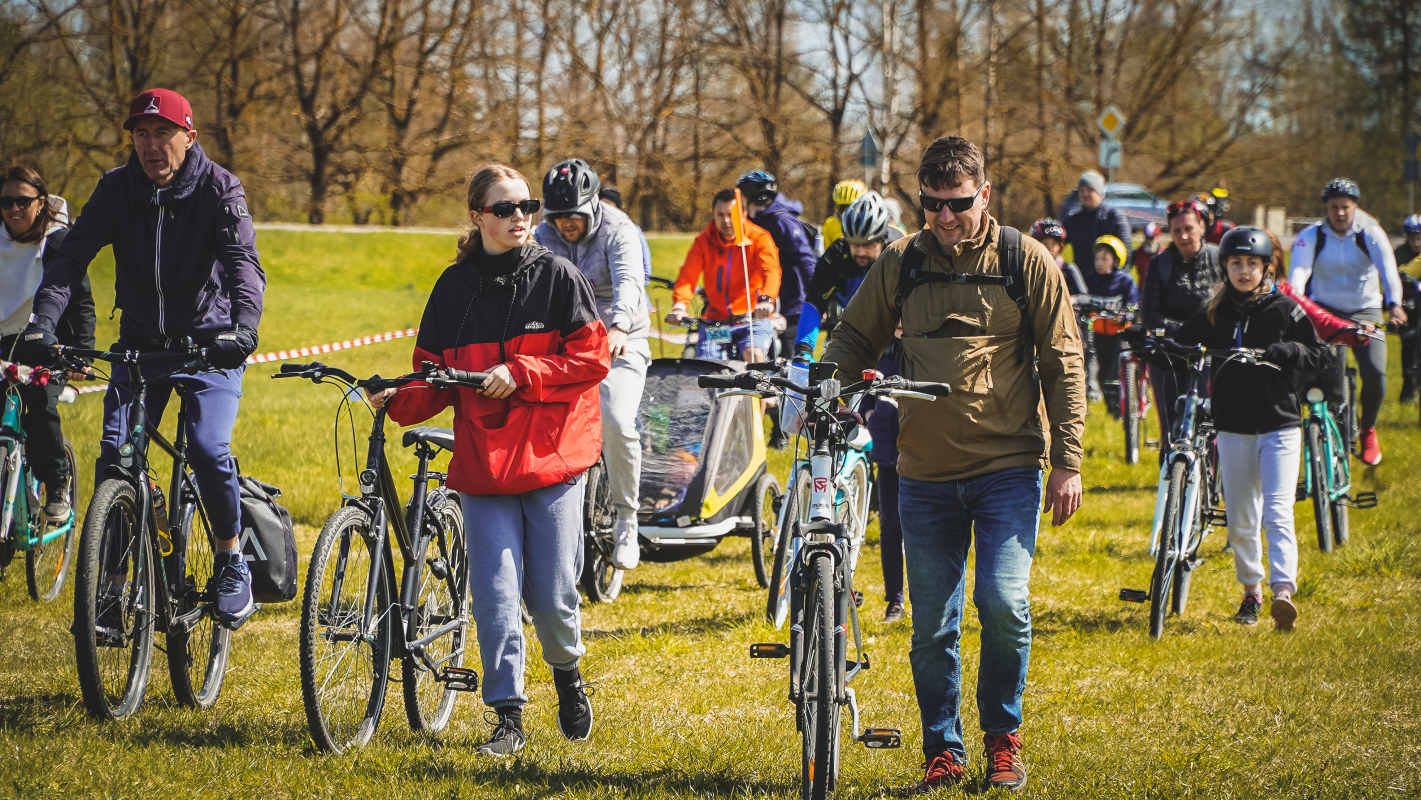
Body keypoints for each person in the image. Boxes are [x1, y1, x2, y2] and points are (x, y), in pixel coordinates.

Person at [821, 136, 1085, 794]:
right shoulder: (901, 262)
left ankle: (1002, 738)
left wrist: (1067, 461)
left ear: (984, 194)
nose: (942, 218)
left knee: (1002, 601)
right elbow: (854, 336)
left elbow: (1062, 361)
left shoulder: (1025, 261)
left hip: (1007, 466)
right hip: (923, 474)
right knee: (931, 623)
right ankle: (942, 748)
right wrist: (826, 390)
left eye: (957, 205)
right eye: (930, 205)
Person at [375, 163, 608, 757]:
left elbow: (592, 360)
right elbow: (436, 382)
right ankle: (508, 714)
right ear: (477, 216)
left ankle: (566, 673)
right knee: (495, 597)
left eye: (526, 207)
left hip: (553, 457)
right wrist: (394, 398)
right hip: (484, 464)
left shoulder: (558, 277)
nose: (519, 218)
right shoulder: (452, 290)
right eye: (504, 209)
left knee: (553, 597)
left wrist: (520, 371)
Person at [19, 88, 266, 629]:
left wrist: (244, 328)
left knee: (205, 446)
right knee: (116, 456)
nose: (151, 145)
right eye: (141, 134)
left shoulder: (220, 188)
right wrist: (43, 320)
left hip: (210, 346)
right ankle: (111, 586)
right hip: (139, 350)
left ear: (189, 136)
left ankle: (230, 557)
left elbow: (243, 263)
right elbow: (70, 259)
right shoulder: (115, 189)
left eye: (163, 133)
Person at [1170, 227, 1323, 631]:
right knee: (1240, 517)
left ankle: (1283, 591)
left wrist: (1287, 351)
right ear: (1225, 267)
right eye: (1235, 263)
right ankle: (1251, 592)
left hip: (1280, 426)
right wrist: (1151, 338)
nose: (1243, 271)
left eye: (1251, 264)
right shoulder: (1215, 312)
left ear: (1265, 267)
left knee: (1276, 511)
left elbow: (1317, 353)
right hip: (1233, 427)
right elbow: (1182, 340)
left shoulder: (1284, 309)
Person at [536, 160, 649, 571]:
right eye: (559, 216)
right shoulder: (543, 234)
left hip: (621, 337)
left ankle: (626, 520)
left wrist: (618, 326)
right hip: (569, 341)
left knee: (617, 420)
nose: (566, 224)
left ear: (594, 205)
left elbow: (630, 282)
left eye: (576, 216)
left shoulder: (619, 230)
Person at [1287, 178, 1405, 466]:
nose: (1340, 213)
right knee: (1317, 373)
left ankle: (1368, 429)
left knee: (1376, 372)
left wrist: (1395, 306)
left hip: (1365, 311)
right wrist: (1294, 305)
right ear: (1326, 207)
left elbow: (1389, 272)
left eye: (1346, 207)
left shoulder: (1371, 234)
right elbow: (1299, 274)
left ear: (1355, 207)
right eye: (1334, 207)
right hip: (1323, 310)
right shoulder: (1312, 236)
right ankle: (1319, 425)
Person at [0, 165, 94, 521]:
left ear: (41, 202)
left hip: (47, 345)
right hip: (3, 344)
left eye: (23, 201)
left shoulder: (56, 241)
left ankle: (57, 483)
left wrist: (81, 352)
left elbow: (81, 300)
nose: (14, 209)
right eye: (6, 201)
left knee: (39, 409)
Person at [1140, 198, 1222, 454]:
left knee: (1207, 423)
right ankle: (1170, 485)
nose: (1184, 235)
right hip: (1169, 353)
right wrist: (1181, 330)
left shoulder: (1220, 260)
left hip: (1210, 352)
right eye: (1177, 231)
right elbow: (1149, 313)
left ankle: (1208, 481)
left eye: (1189, 228)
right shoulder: (1159, 264)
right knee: (1172, 426)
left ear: (1202, 226)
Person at [666, 189, 780, 363]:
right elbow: (687, 277)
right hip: (717, 320)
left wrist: (766, 299)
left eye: (731, 214)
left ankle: (764, 390)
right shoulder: (703, 241)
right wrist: (679, 307)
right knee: (707, 367)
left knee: (755, 356)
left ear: (744, 214)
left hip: (750, 318)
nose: (726, 221)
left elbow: (771, 271)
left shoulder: (759, 238)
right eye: (720, 215)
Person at [793, 192, 903, 357]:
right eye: (854, 244)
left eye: (867, 245)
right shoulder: (838, 254)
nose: (860, 252)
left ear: (882, 240)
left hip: (897, 329)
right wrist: (803, 353)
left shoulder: (899, 252)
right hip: (855, 326)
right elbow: (814, 305)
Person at [736, 171, 819, 360]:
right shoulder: (750, 222)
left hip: (790, 306)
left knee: (790, 362)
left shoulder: (782, 221)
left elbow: (805, 260)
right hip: (762, 304)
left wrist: (815, 300)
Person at [1084, 234, 1139, 417]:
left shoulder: (1125, 281)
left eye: (1104, 259)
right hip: (1099, 335)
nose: (1099, 263)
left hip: (1119, 336)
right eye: (1097, 258)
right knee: (1101, 374)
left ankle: (1119, 410)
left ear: (1116, 261)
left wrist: (1124, 316)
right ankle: (1110, 407)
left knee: (1114, 376)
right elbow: (1082, 301)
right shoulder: (1090, 279)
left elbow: (1133, 305)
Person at [1061, 170, 1131, 279]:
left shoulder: (1115, 218)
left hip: (1108, 283)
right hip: (1081, 283)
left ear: (1099, 192)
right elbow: (1056, 243)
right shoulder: (1072, 221)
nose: (1085, 194)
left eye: (1089, 190)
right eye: (1082, 190)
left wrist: (1117, 284)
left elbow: (1125, 256)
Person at [597, 186, 652, 283]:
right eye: (601, 207)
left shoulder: (633, 231)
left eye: (610, 207)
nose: (605, 212)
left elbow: (646, 274)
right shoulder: (588, 234)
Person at [1394, 215, 1421, 401]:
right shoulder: (1400, 253)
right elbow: (1392, 278)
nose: (1416, 243)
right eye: (1412, 238)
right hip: (1408, 302)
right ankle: (1407, 387)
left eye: (1420, 238)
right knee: (1408, 344)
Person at [1029, 217, 1087, 295]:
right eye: (1045, 244)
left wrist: (1072, 300)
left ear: (1060, 246)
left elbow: (1085, 296)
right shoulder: (1029, 269)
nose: (1050, 248)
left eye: (1054, 244)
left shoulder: (1068, 269)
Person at [822, 179, 867, 249]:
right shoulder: (830, 225)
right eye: (841, 208)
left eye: (852, 208)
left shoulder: (869, 224)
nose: (845, 213)